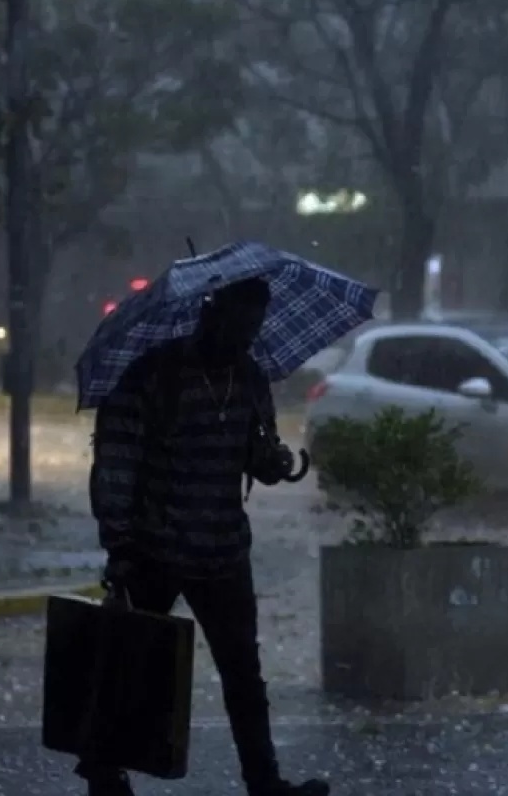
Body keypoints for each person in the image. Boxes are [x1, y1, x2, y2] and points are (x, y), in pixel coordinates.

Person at [81, 277, 329, 796]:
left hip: (224, 551)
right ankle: (105, 776)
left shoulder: (250, 378)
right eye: (238, 323)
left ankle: (264, 783)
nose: (244, 336)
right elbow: (117, 462)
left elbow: (258, 455)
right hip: (155, 548)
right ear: (211, 313)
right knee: (132, 665)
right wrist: (119, 546)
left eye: (254, 326)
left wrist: (277, 463)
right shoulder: (154, 374)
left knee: (244, 676)